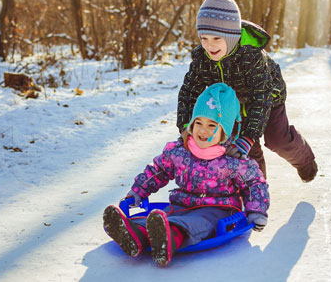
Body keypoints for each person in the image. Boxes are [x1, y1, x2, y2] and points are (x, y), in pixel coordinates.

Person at [102, 83, 269, 266]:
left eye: (212, 125)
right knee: (160, 218)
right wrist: (137, 192)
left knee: (195, 222)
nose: (203, 130)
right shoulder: (180, 151)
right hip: (180, 204)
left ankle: (168, 241)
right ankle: (135, 236)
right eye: (198, 122)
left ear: (225, 131)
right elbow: (157, 171)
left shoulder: (233, 160)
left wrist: (256, 211)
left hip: (218, 209)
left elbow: (255, 184)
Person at [177, 0, 317, 181]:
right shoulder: (202, 60)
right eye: (204, 38)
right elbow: (188, 92)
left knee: (277, 140)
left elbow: (261, 97)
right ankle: (255, 196)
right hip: (229, 104)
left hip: (267, 98)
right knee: (243, 150)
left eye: (217, 38)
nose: (210, 45)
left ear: (232, 36)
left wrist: (250, 136)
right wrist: (185, 126)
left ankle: (305, 160)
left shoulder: (251, 57)